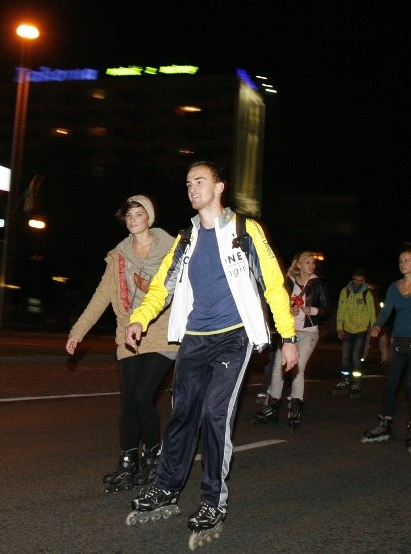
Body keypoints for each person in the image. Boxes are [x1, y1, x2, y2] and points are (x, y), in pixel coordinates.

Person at [123, 161, 298, 536]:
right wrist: (140, 318)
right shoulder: (185, 240)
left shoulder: (245, 231)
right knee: (183, 414)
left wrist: (288, 338)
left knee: (215, 416)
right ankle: (167, 488)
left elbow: (273, 285)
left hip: (234, 338)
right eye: (188, 183)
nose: (192, 188)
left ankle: (212, 500)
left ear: (220, 187)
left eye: (200, 181)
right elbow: (162, 287)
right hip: (194, 339)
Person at [66, 195, 177, 493]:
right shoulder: (118, 257)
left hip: (161, 332)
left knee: (142, 395)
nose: (133, 218)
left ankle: (155, 459)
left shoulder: (172, 250)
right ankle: (128, 464)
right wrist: (79, 331)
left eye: (139, 213)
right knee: (129, 401)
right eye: (128, 214)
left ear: (149, 217)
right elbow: (101, 296)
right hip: (127, 335)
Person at [361, 247, 411, 451]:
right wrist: (378, 325)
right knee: (390, 383)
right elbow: (387, 310)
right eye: (400, 261)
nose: (402, 264)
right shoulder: (393, 287)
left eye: (407, 261)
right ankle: (384, 424)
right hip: (398, 339)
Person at [256, 251, 329, 427]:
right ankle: (272, 407)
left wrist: (310, 310)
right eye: (308, 262)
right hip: (289, 331)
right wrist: (290, 310)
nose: (311, 266)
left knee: (298, 368)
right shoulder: (288, 283)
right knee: (278, 368)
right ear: (299, 265)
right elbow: (278, 304)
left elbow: (326, 309)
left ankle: (295, 407)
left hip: (308, 332)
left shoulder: (318, 284)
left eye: (313, 263)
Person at [334, 268, 377, 394]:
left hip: (361, 330)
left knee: (356, 357)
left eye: (360, 281)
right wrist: (339, 328)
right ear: (353, 278)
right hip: (347, 329)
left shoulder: (367, 293)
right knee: (345, 357)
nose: (358, 283)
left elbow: (371, 312)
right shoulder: (345, 291)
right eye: (356, 280)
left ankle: (357, 382)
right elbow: (340, 310)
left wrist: (374, 327)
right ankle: (345, 380)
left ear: (363, 280)